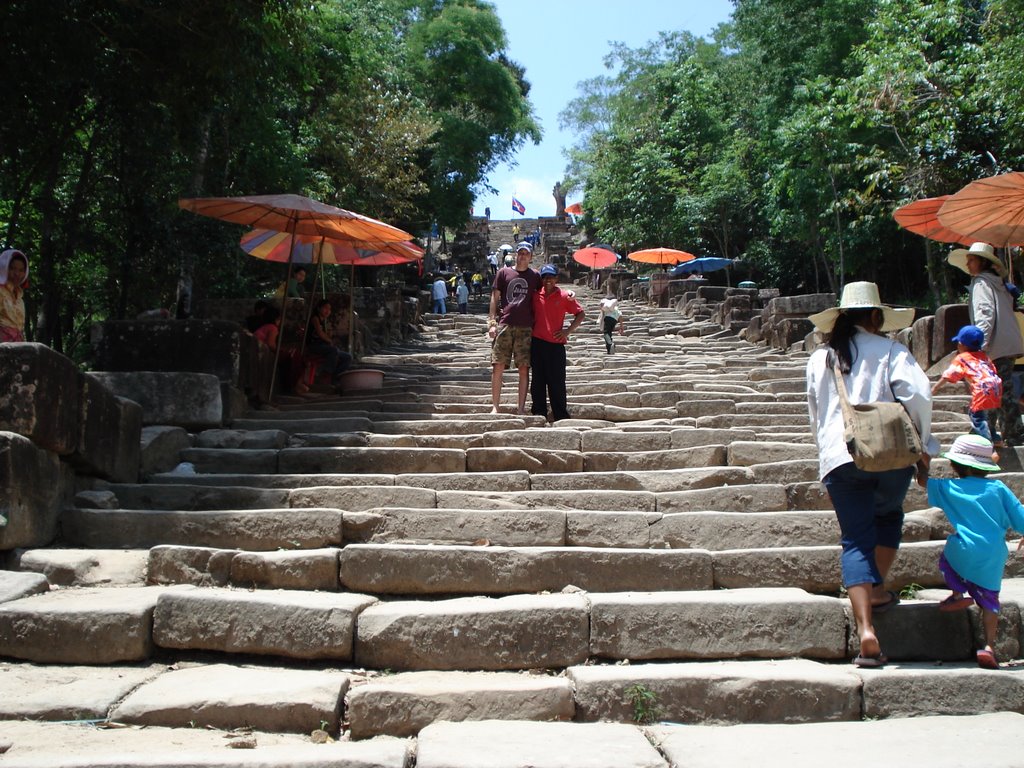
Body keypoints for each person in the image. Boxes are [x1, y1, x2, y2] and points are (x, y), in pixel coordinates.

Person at [805, 281, 939, 668]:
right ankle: (877, 589)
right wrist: (925, 448)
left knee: (855, 539)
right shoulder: (893, 351)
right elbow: (918, 397)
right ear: (876, 316)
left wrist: (825, 453)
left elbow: (816, 410)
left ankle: (865, 629)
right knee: (889, 517)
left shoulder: (821, 358)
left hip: (840, 454)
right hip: (892, 454)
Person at [927, 434, 1024, 669]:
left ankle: (959, 592)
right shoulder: (998, 488)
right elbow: (1020, 517)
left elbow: (923, 480)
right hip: (994, 554)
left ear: (954, 465)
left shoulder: (950, 487)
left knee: (947, 560)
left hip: (963, 550)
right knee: (991, 600)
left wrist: (922, 460)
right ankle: (989, 646)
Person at [948, 242, 1024, 444]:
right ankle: (1004, 431)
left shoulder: (982, 283)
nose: (968, 263)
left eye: (971, 259)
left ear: (982, 261)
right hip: (1007, 344)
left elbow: (985, 314)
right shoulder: (999, 283)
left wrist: (978, 344)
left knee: (990, 388)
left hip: (994, 345)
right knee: (1000, 388)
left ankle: (995, 431)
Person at [488, 241, 541, 414]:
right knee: (498, 365)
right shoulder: (504, 273)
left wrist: (568, 295)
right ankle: (495, 406)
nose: (523, 256)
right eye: (520, 253)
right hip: (505, 324)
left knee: (524, 368)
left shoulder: (535, 276)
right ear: (516, 255)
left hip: (525, 327)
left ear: (531, 257)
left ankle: (521, 408)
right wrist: (492, 323)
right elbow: (495, 298)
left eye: (526, 253)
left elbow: (543, 297)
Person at [932, 324, 1002, 445]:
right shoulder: (984, 357)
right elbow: (993, 371)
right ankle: (995, 438)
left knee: (977, 416)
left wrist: (935, 388)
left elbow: (949, 374)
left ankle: (987, 443)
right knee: (990, 416)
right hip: (996, 387)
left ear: (961, 344)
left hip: (982, 389)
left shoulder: (962, 358)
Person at [530, 264, 585, 421]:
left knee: (557, 382)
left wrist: (567, 331)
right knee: (538, 381)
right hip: (537, 343)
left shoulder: (563, 296)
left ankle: (560, 414)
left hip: (556, 345)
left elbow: (580, 314)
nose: (548, 280)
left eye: (551, 277)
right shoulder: (535, 296)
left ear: (556, 279)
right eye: (545, 277)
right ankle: (539, 412)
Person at [253, 305, 307, 395]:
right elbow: (270, 344)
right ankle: (296, 385)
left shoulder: (263, 327)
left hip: (260, 352)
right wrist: (283, 351)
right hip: (264, 354)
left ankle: (297, 384)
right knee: (295, 356)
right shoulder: (272, 328)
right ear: (276, 318)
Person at [306, 299, 352, 388]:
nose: (328, 311)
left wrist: (328, 337)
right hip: (314, 346)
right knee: (333, 350)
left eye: (329, 309)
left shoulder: (324, 321)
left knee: (347, 357)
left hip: (322, 346)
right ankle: (324, 373)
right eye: (325, 308)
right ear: (319, 308)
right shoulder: (315, 318)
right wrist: (329, 340)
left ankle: (335, 377)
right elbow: (320, 333)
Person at [0, 248, 29, 343]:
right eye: (12, 268)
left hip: (17, 346)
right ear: (4, 267)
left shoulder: (20, 297)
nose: (17, 274)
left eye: (21, 270)